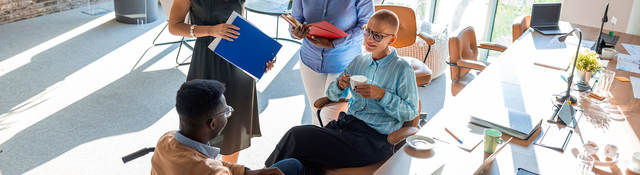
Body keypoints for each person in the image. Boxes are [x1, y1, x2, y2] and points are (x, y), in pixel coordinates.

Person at [265, 10, 419, 174]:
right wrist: (339, 85)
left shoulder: (402, 69)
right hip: (345, 127)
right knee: (301, 161)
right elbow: (332, 95)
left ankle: (262, 172)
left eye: (377, 36)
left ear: (392, 39)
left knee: (297, 137)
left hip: (372, 140)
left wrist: (382, 95)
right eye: (367, 31)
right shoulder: (360, 61)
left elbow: (410, 113)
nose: (369, 39)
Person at [168, 0, 274, 162]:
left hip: (237, 64)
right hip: (206, 63)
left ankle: (228, 171)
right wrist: (210, 30)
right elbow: (174, 26)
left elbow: (241, 24)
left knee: (234, 128)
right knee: (200, 125)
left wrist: (259, 58)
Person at [151, 79, 304, 175]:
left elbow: (208, 163)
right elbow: (210, 167)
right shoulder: (212, 171)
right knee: (293, 165)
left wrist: (247, 173)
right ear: (212, 123)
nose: (228, 113)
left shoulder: (165, 140)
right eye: (226, 112)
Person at [289, 0, 374, 126]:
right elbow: (295, 20)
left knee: (331, 120)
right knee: (316, 113)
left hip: (345, 65)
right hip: (310, 60)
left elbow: (367, 28)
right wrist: (296, 32)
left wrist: (334, 43)